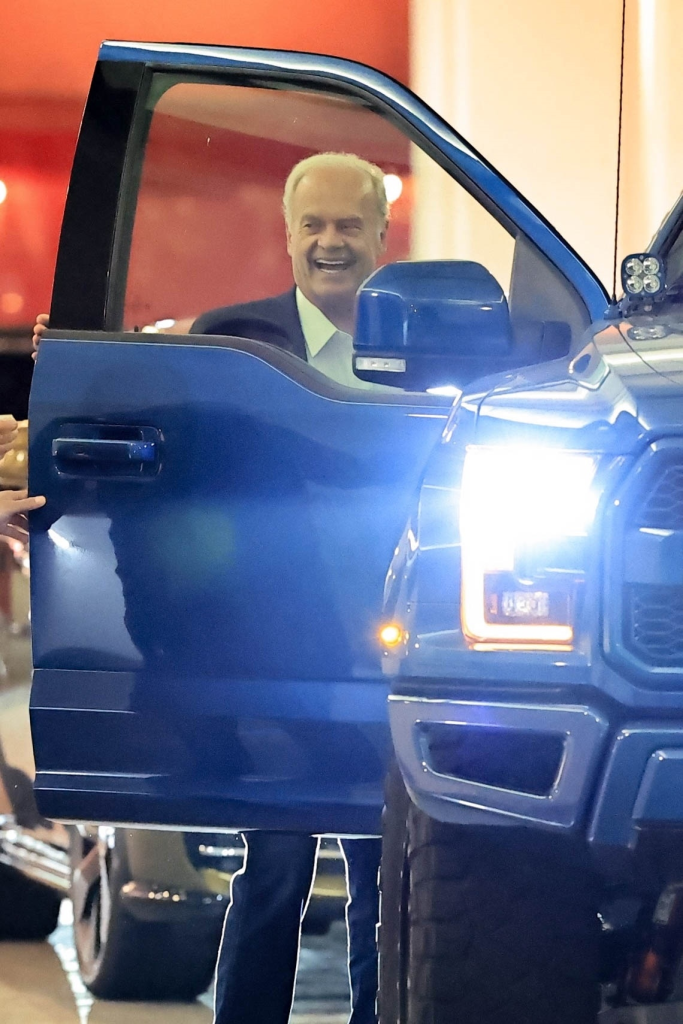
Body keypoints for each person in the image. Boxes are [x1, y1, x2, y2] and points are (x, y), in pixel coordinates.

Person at [33, 151, 390, 1024]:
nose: (330, 242)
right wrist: (64, 376)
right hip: (276, 654)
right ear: (287, 233)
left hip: (392, 646)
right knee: (271, 869)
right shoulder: (230, 337)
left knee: (389, 873)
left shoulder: (416, 350)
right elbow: (144, 404)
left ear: (381, 234)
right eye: (314, 224)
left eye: (350, 224)